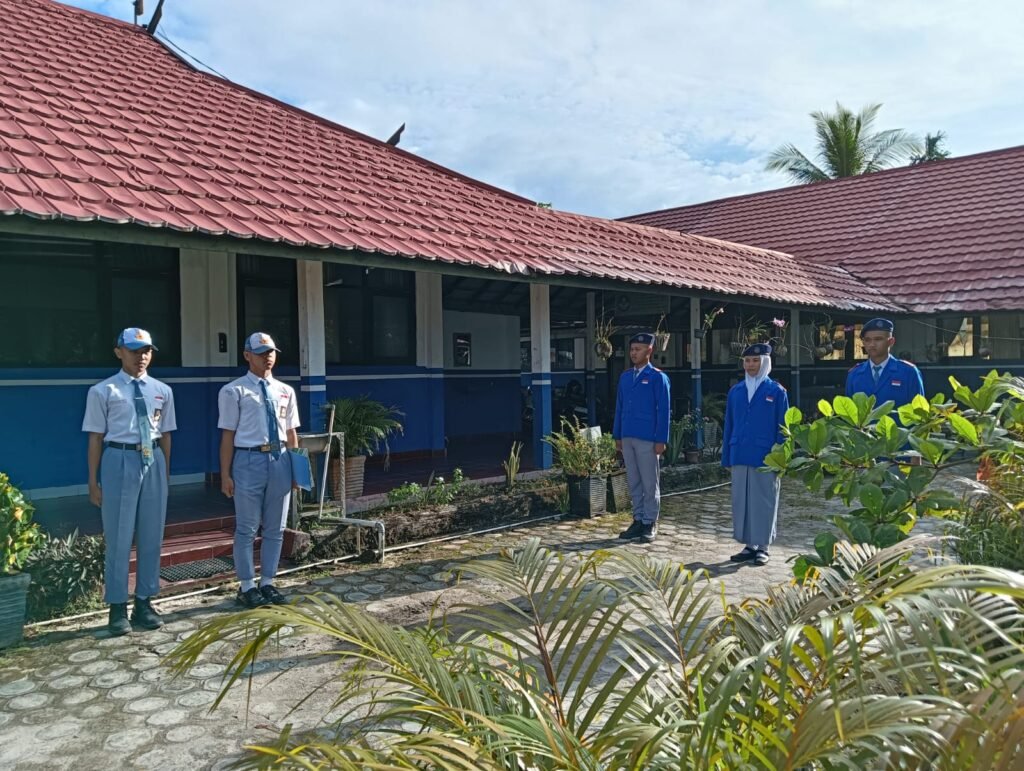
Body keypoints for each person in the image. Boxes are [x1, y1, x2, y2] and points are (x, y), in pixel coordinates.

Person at [82, 327, 176, 635]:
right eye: (135, 351)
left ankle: (144, 601)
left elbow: (166, 435)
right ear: (118, 352)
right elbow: (96, 438)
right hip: (119, 458)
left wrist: (165, 472)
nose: (141, 357)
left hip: (153, 460)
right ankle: (117, 606)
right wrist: (93, 481)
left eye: (147, 351)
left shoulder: (162, 390)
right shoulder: (103, 391)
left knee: (151, 534)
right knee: (119, 535)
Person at [217, 333, 300, 608]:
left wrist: (297, 469)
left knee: (276, 527)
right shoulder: (234, 391)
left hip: (280, 459)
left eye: (271, 352)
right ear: (247, 355)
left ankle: (268, 581)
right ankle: (247, 586)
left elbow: (291, 432)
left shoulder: (285, 390)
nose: (268, 357)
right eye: (261, 352)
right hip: (248, 460)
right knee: (247, 527)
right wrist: (225, 474)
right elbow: (228, 435)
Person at [722, 343, 788, 566]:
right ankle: (749, 544)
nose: (750, 365)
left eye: (755, 361)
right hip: (740, 452)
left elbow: (783, 428)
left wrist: (781, 459)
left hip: (766, 455)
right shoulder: (736, 391)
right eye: (747, 361)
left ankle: (763, 546)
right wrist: (726, 455)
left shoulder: (776, 392)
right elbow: (729, 424)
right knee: (742, 501)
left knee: (765, 501)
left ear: (765, 363)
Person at [614, 332, 671, 543]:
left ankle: (650, 521)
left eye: (638, 349)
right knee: (634, 481)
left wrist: (661, 439)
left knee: (649, 482)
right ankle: (637, 519)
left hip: (648, 437)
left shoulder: (658, 377)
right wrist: (617, 434)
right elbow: (619, 407)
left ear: (649, 350)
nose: (633, 353)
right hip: (628, 434)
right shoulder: (625, 377)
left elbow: (663, 411)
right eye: (632, 349)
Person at [845, 318, 925, 409]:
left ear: (891, 342)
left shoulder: (908, 372)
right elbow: (849, 411)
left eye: (878, 339)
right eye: (867, 340)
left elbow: (919, 411)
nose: (872, 344)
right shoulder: (855, 374)